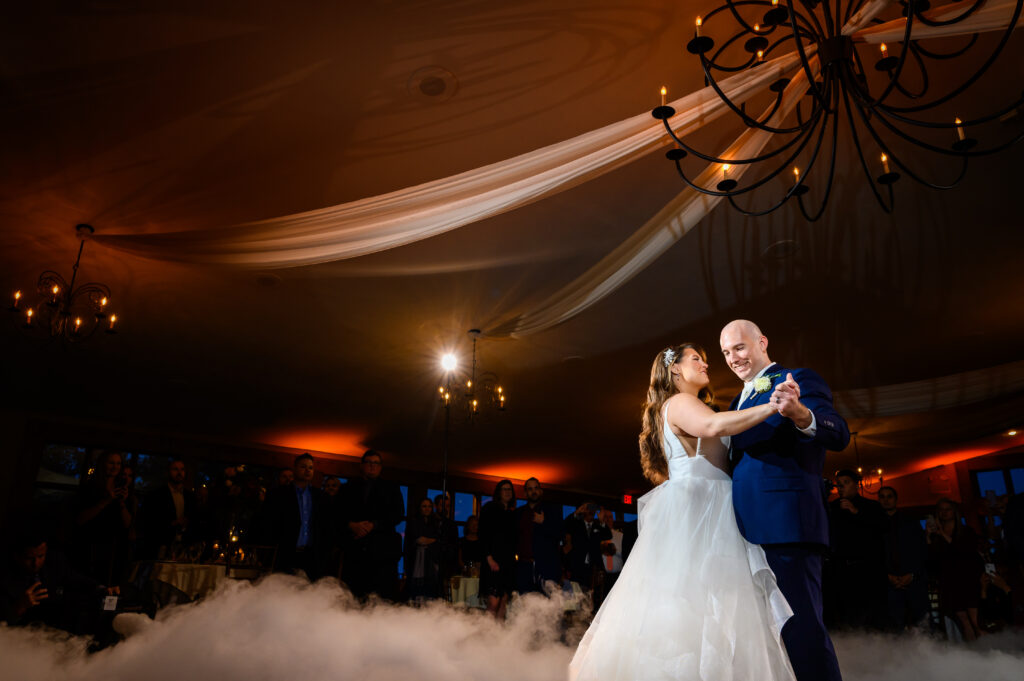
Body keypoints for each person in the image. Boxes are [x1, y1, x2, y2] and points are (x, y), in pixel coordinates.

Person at [570, 343, 796, 681]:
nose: (706, 364)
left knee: (706, 606)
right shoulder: (679, 402)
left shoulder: (686, 404)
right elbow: (714, 427)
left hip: (705, 505)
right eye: (696, 359)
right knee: (703, 604)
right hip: (703, 510)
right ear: (675, 370)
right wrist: (772, 406)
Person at [722, 320, 849, 681]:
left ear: (762, 342)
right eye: (727, 353)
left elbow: (837, 433)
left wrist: (800, 414)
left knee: (801, 630)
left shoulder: (798, 378)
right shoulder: (735, 401)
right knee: (762, 636)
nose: (734, 358)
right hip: (742, 534)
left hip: (786, 528)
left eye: (740, 347)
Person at [825, 469, 888, 629]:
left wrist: (856, 512)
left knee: (872, 617)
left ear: (856, 484)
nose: (841, 487)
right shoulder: (832, 508)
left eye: (846, 483)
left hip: (868, 571)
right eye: (839, 485)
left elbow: (882, 531)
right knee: (846, 617)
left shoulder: (872, 507)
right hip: (841, 571)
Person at [340, 450, 404, 600]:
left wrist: (374, 525)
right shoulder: (348, 487)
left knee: (379, 599)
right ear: (362, 465)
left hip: (381, 554)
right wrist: (351, 525)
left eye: (376, 463)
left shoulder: (392, 488)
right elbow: (338, 513)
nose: (372, 466)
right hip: (355, 551)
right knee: (353, 597)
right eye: (368, 462)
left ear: (380, 467)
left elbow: (398, 514)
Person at [262, 453, 333, 580]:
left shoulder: (321, 497)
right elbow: (268, 523)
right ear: (294, 469)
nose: (307, 471)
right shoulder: (279, 494)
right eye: (303, 467)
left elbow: (326, 526)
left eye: (310, 468)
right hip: (285, 553)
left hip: (312, 556)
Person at [70, 451, 137, 586]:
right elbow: (79, 519)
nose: (115, 467)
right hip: (89, 546)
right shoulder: (90, 488)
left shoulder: (123, 490)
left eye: (118, 463)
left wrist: (122, 503)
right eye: (111, 463)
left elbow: (128, 525)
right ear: (103, 464)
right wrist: (105, 501)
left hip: (115, 550)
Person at [927, 498, 984, 641]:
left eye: (947, 509)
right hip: (949, 582)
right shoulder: (936, 536)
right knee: (963, 621)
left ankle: (989, 652)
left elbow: (964, 553)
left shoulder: (966, 531)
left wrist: (943, 534)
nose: (944, 513)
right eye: (941, 510)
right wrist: (928, 536)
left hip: (968, 579)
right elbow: (931, 559)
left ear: (954, 512)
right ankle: (974, 653)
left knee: (976, 622)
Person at [877, 485, 930, 631]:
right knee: (894, 626)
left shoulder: (910, 522)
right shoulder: (876, 524)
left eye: (889, 496)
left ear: (896, 499)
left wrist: (912, 574)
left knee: (922, 623)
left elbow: (921, 550)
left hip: (914, 580)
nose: (886, 500)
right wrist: (888, 576)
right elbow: (875, 554)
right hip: (888, 582)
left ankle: (927, 653)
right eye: (882, 497)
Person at [139, 458, 198, 559]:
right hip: (160, 546)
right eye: (175, 469)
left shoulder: (190, 497)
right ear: (168, 472)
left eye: (182, 470)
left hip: (183, 547)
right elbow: (149, 521)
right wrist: (173, 523)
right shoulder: (157, 495)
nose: (179, 473)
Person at [514, 477, 564, 594]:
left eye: (536, 488)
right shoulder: (518, 513)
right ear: (525, 493)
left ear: (541, 491)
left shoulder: (552, 510)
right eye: (530, 489)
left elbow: (561, 534)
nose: (534, 491)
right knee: (525, 606)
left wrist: (544, 523)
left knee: (547, 608)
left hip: (547, 568)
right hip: (524, 567)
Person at [479, 479, 517, 619]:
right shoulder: (490, 508)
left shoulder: (512, 514)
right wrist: (489, 558)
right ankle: (486, 636)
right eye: (504, 489)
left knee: (503, 602)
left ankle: (498, 638)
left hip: (508, 562)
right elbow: (483, 534)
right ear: (499, 492)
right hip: (493, 560)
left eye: (510, 489)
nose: (508, 492)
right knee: (493, 603)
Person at [563, 502, 609, 591]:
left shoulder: (598, 526)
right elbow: (565, 525)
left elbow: (608, 535)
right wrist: (576, 513)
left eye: (593, 510)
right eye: (588, 509)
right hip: (577, 566)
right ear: (583, 511)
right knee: (576, 594)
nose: (591, 512)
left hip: (593, 568)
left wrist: (602, 522)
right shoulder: (576, 525)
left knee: (591, 596)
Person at [404, 498, 442, 602]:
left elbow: (439, 540)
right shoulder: (413, 521)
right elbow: (420, 540)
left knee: (431, 589)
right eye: (424, 506)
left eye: (429, 506)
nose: (427, 509)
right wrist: (433, 540)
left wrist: (431, 541)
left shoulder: (435, 522)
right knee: (416, 588)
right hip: (416, 559)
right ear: (419, 508)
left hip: (431, 559)